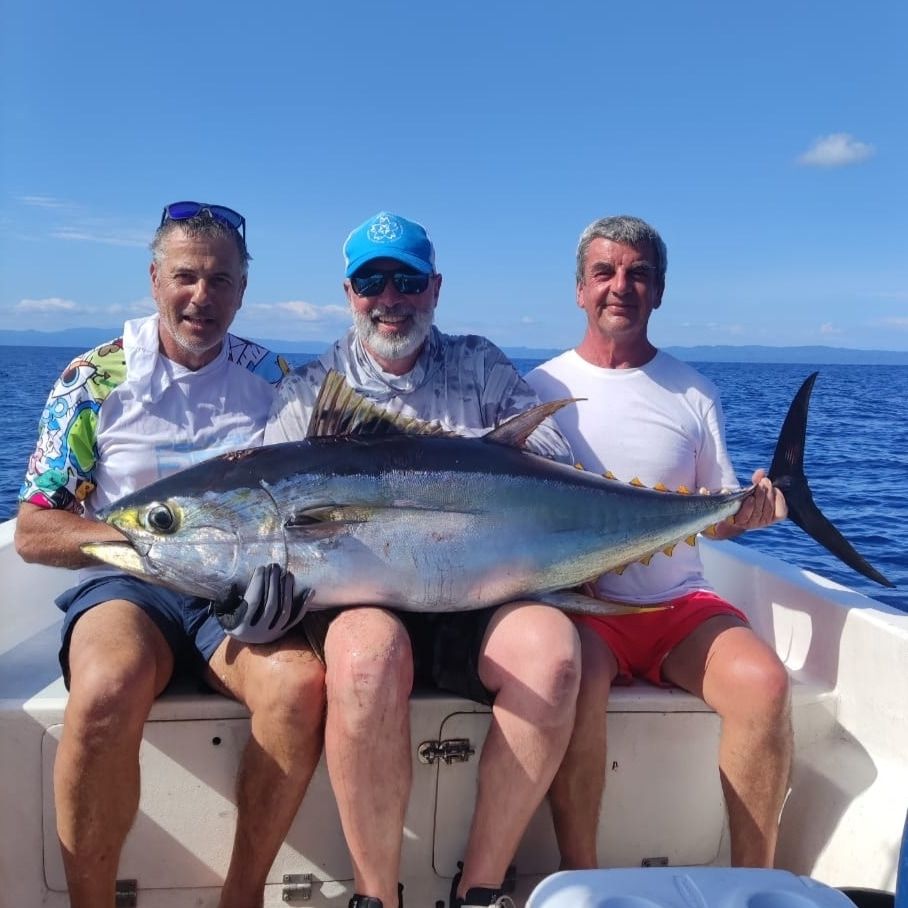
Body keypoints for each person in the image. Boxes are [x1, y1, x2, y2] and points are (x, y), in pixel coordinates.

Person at [265, 211, 581, 908]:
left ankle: (481, 890)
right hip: (365, 600)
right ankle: (379, 897)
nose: (390, 297)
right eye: (371, 280)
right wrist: (252, 595)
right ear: (349, 293)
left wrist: (466, 470)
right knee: (366, 658)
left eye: (407, 279)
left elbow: (555, 459)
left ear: (435, 288)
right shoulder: (308, 391)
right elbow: (266, 515)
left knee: (554, 657)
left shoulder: (479, 364)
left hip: (482, 592)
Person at [15, 201, 326, 908]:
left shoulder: (276, 381)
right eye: (186, 276)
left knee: (298, 689)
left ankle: (239, 898)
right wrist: (145, 546)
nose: (201, 297)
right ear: (154, 279)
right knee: (104, 690)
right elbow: (36, 529)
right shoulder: (95, 379)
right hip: (131, 587)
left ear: (243, 292)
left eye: (221, 280)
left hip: (238, 600)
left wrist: (282, 583)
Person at [526, 214, 792, 869]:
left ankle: (749, 882)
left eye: (639, 274)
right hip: (586, 607)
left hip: (679, 604)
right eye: (605, 273)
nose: (622, 286)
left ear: (660, 291)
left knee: (764, 684)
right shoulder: (539, 390)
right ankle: (581, 877)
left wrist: (750, 511)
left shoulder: (695, 391)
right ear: (579, 291)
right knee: (573, 681)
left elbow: (716, 511)